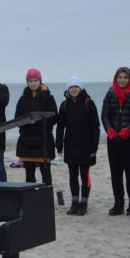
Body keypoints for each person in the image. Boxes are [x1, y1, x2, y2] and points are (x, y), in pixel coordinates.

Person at [101, 67, 130, 216]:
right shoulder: (110, 92)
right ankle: (118, 203)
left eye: (125, 77)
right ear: (116, 78)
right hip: (114, 140)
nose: (122, 80)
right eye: (120, 77)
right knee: (115, 173)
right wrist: (110, 131)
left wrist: (128, 130)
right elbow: (104, 114)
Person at [55, 77, 100, 216]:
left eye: (76, 87)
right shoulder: (64, 105)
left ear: (81, 89)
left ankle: (84, 203)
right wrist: (59, 145)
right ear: (68, 89)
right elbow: (60, 127)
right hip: (70, 145)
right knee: (73, 176)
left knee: (84, 176)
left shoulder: (88, 103)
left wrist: (94, 148)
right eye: (71, 87)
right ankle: (75, 203)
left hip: (86, 147)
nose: (74, 89)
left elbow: (95, 127)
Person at [13, 68, 58, 185]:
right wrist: (27, 123)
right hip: (26, 140)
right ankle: (30, 198)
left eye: (35, 80)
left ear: (40, 81)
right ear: (27, 82)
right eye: (31, 80)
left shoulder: (48, 98)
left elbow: (54, 117)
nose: (33, 83)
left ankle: (46, 198)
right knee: (29, 173)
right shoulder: (22, 99)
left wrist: (38, 121)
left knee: (46, 172)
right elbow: (17, 118)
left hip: (43, 139)